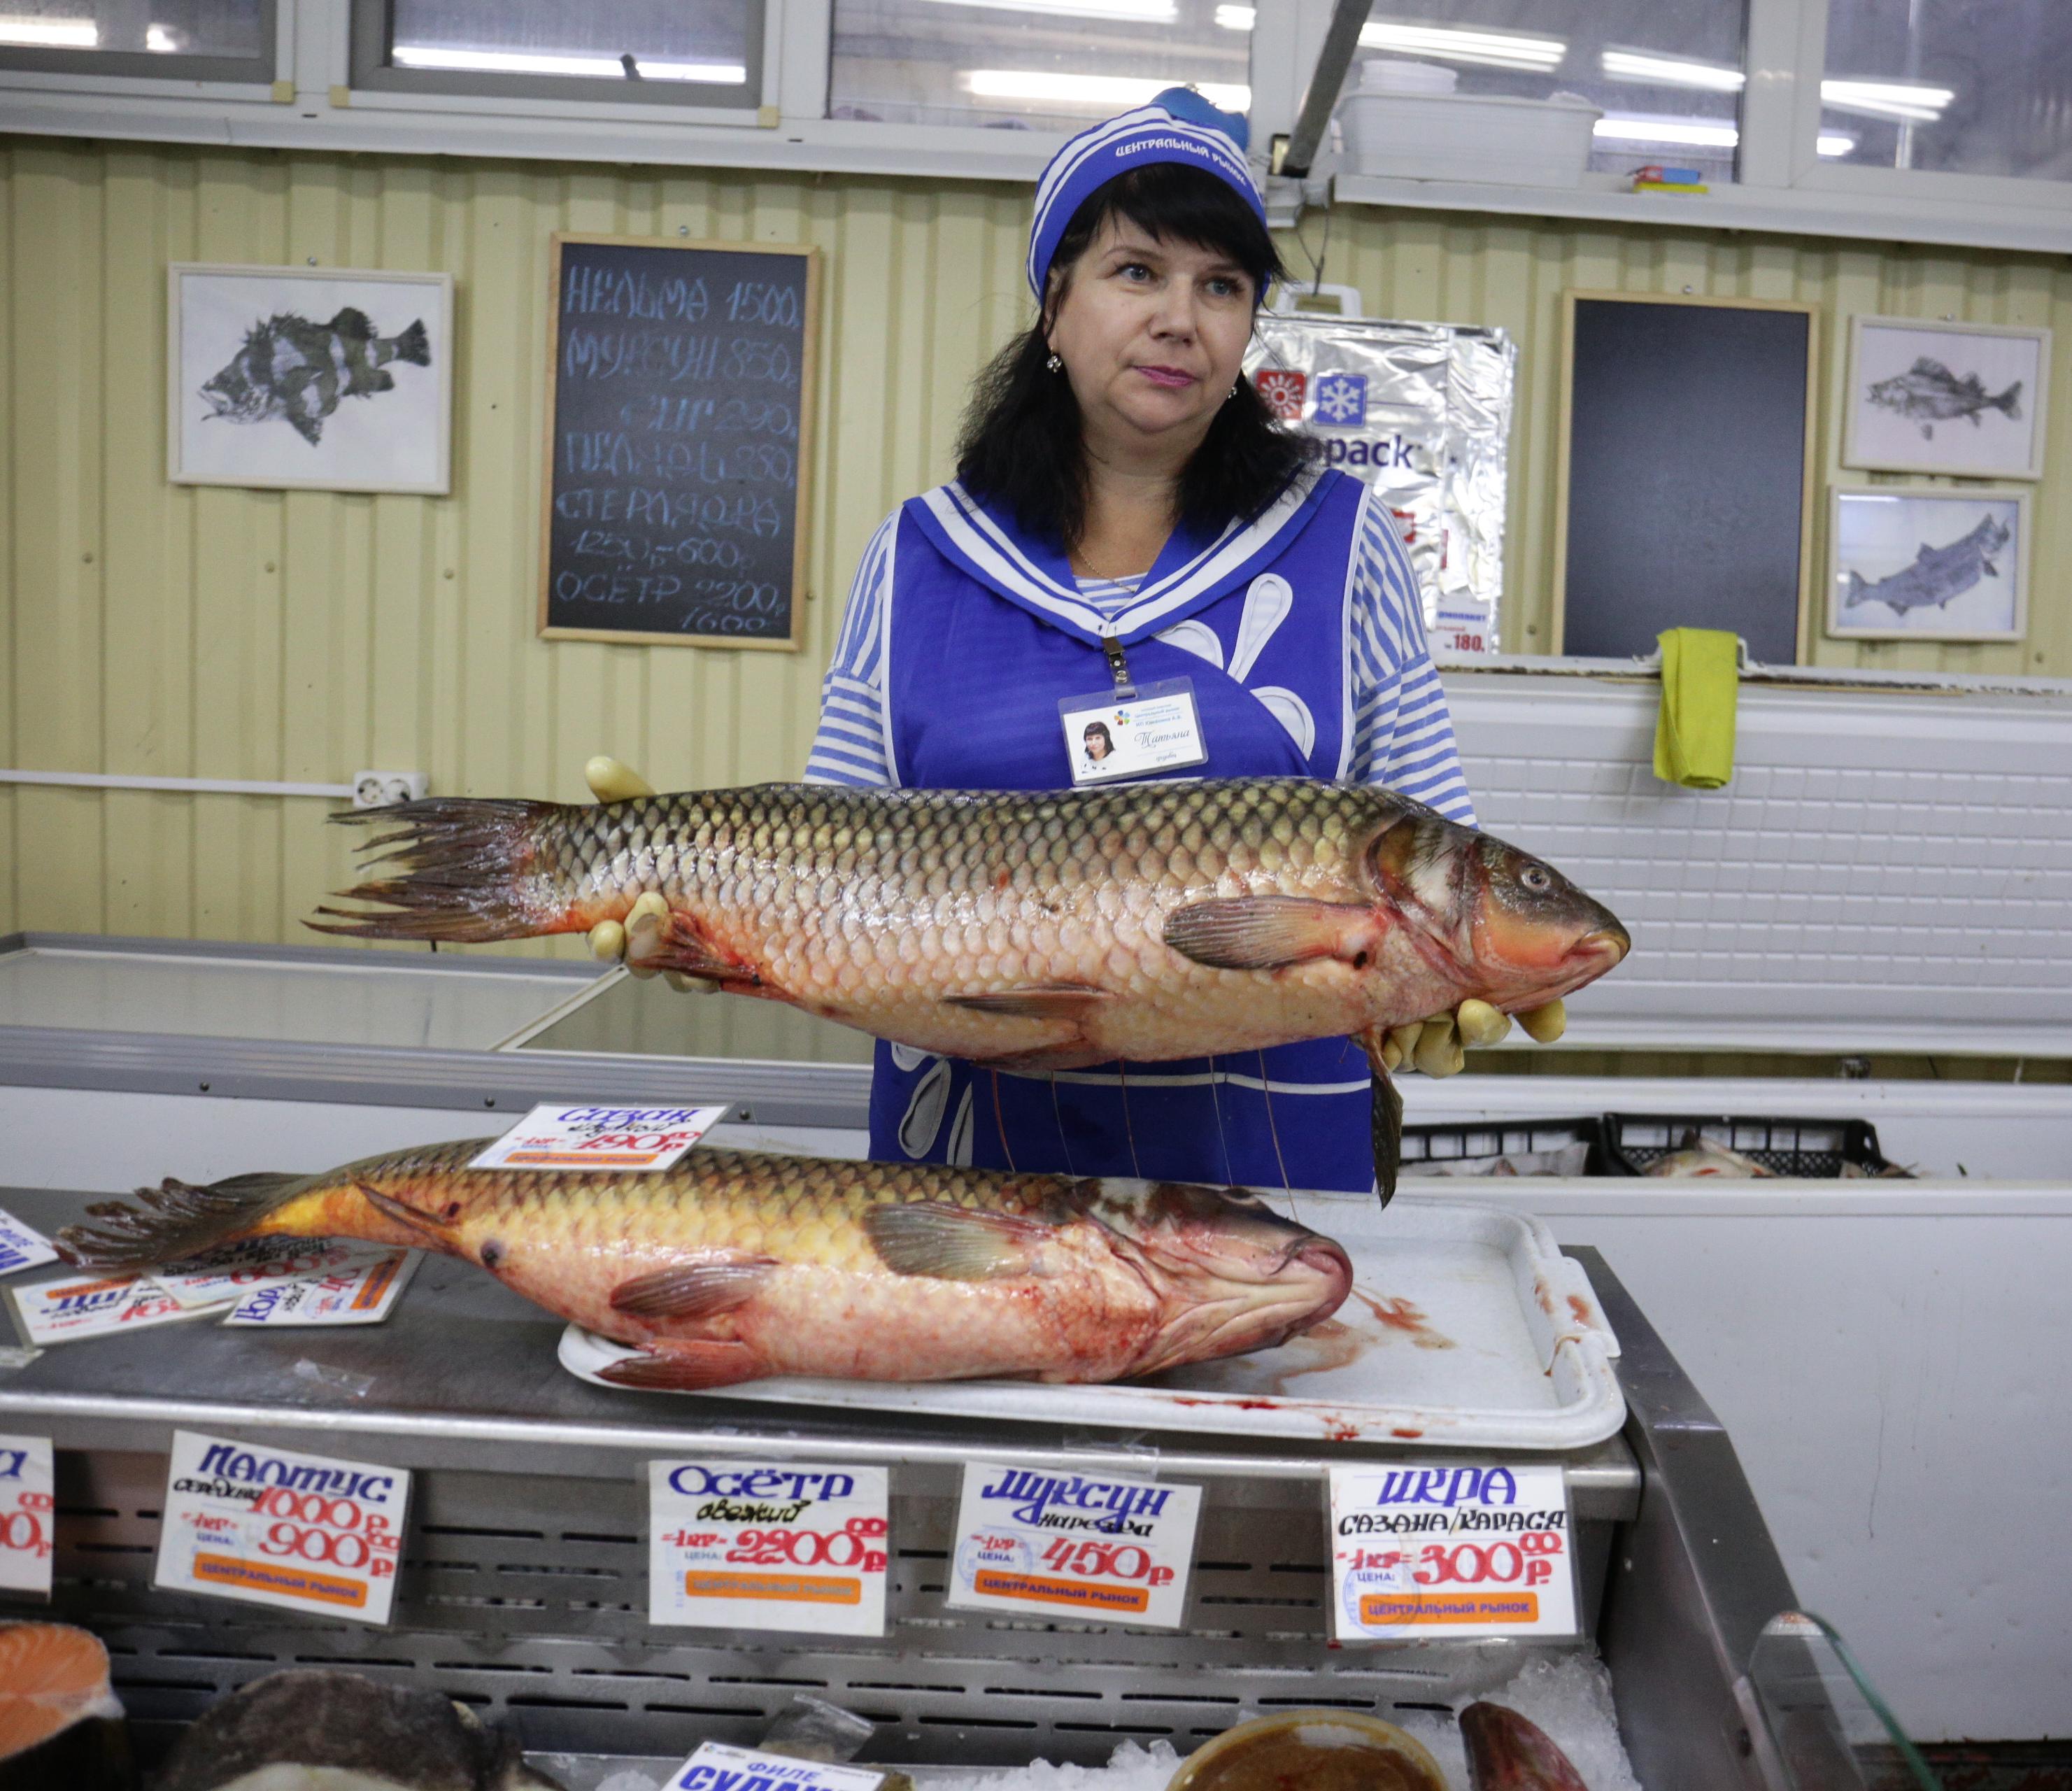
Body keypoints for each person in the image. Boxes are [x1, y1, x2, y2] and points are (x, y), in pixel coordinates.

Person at [589, 88, 1564, 1191]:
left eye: (1222, 286)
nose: (1179, 319)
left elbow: (1431, 849)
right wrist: (697, 904)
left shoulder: (1343, 546)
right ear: (1054, 306)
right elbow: (835, 858)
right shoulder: (919, 559)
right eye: (1135, 271)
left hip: (1269, 1161)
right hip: (969, 1158)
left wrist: (1440, 990)